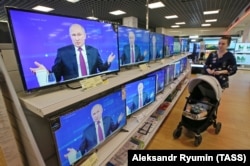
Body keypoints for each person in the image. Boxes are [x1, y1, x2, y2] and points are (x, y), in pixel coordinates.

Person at [30, 23, 115, 83]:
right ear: (70, 36)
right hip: (74, 90)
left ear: (85, 36)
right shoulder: (62, 52)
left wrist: (108, 62)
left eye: (79, 34)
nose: (77, 38)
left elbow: (101, 69)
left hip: (92, 86)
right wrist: (47, 73)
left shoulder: (94, 51)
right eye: (73, 35)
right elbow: (57, 77)